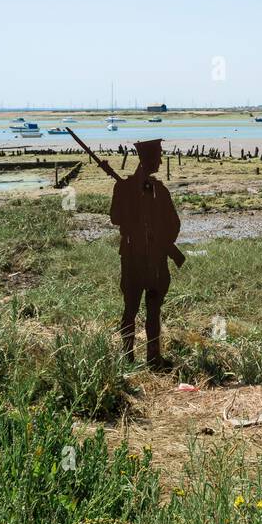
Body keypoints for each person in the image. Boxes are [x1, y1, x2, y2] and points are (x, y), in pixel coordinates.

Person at [109, 138, 180, 366]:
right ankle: (129, 357)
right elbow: (116, 218)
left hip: (153, 258)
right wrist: (133, 206)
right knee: (131, 309)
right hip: (133, 258)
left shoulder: (158, 190)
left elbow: (173, 223)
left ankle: (152, 358)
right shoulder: (124, 187)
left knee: (152, 310)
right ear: (148, 159)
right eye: (157, 156)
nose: (160, 160)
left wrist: (163, 242)